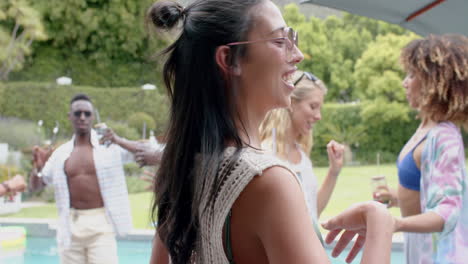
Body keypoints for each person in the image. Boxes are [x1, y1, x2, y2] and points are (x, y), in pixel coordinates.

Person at [148, 0, 396, 263]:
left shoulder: (181, 171)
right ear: (229, 60)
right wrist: (380, 223)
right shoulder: (266, 181)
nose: (298, 54)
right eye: (280, 41)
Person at [375, 34, 468, 263]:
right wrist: (397, 198)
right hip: (420, 251)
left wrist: (396, 223)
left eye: (412, 75)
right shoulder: (425, 129)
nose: (404, 82)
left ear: (435, 81)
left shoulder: (444, 137)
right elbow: (427, 196)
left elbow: (448, 211)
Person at [30, 93, 143, 264]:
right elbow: (36, 186)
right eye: (77, 113)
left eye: (87, 113)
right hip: (70, 225)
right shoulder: (61, 154)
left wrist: (118, 140)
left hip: (101, 224)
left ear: (93, 116)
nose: (82, 117)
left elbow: (146, 151)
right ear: (70, 117)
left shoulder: (109, 146)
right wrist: (37, 167)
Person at [260, 70, 345, 226]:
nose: (319, 116)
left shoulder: (301, 155)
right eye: (313, 106)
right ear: (291, 103)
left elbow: (313, 213)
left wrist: (334, 172)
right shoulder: (266, 155)